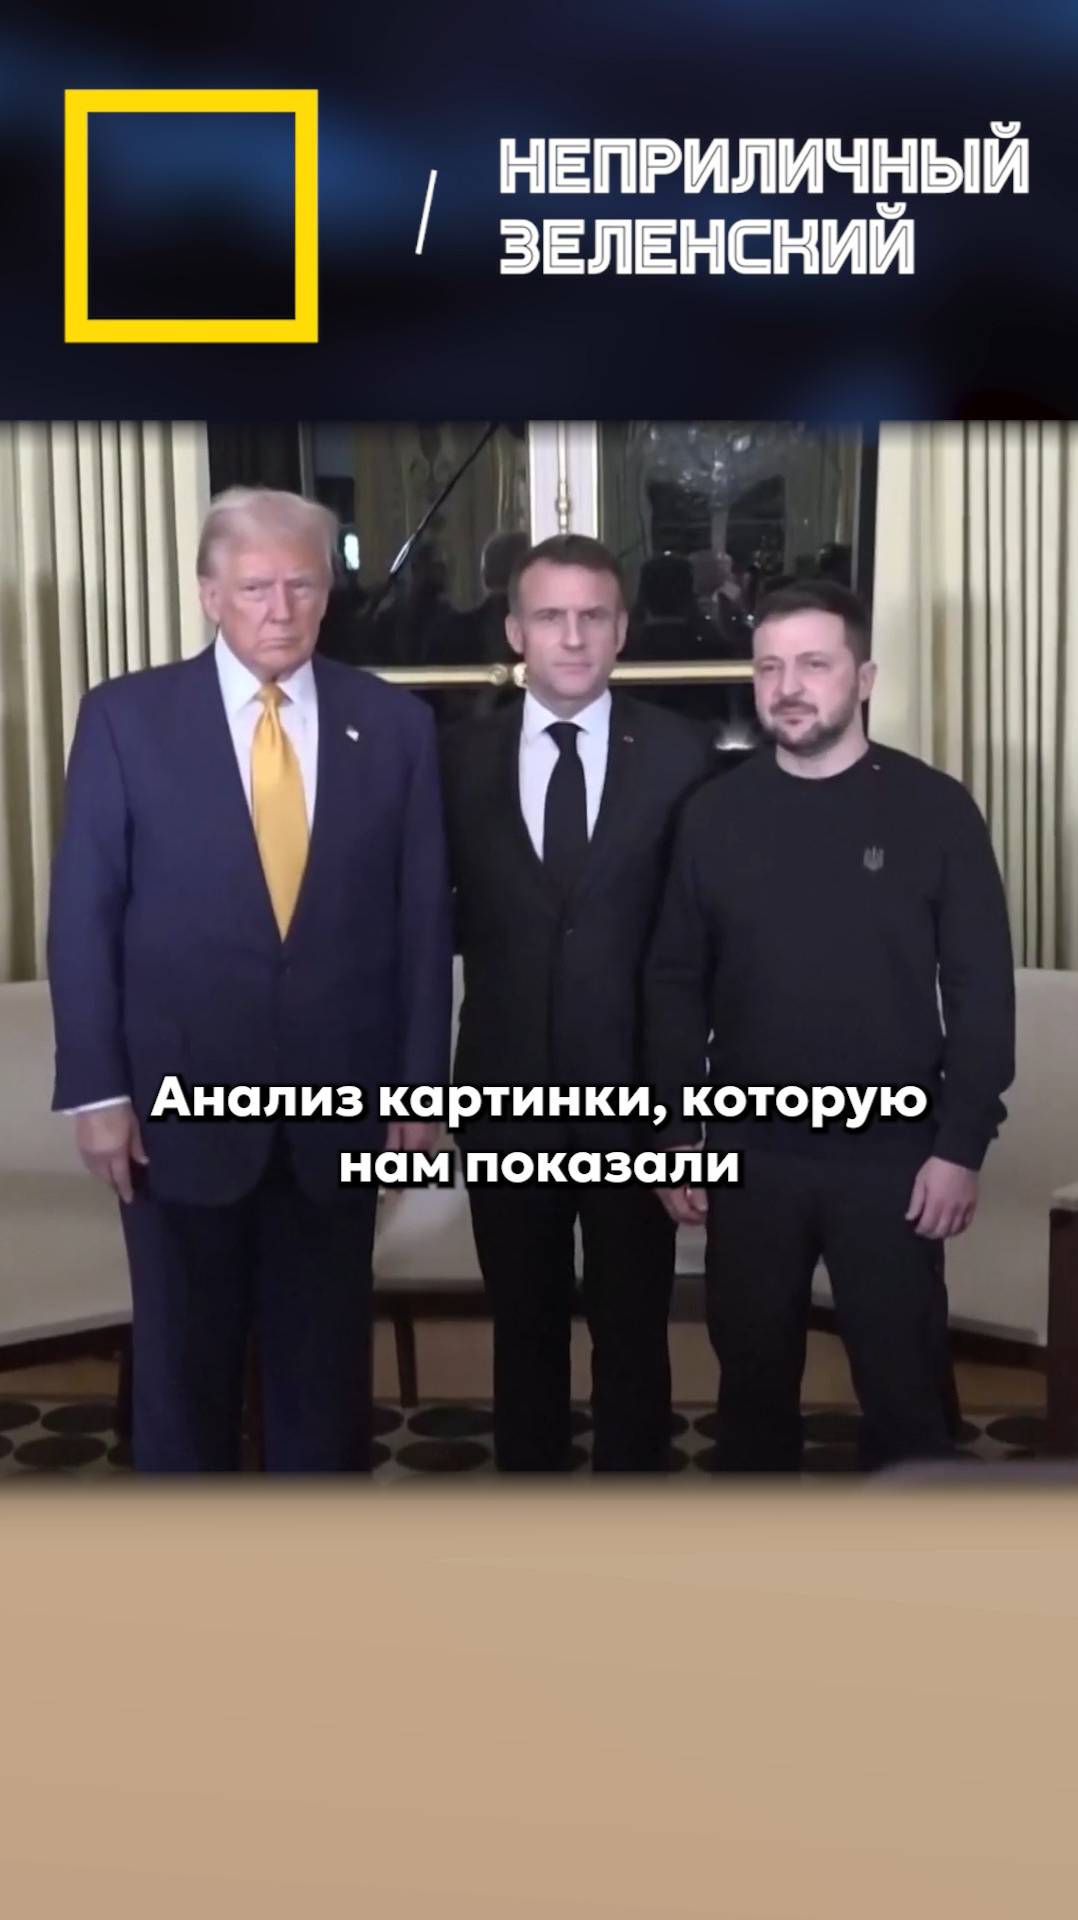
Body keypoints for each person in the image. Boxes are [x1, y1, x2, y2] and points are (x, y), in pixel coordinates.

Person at [47, 488, 452, 1473]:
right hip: (175, 1114)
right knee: (184, 1383)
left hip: (339, 1112)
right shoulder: (125, 719)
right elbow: (83, 921)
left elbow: (420, 925)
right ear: (208, 594)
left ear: (327, 594)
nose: (281, 609)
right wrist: (97, 1094)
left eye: (301, 586)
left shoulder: (392, 723)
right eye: (257, 587)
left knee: (324, 1387)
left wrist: (420, 1090)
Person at [645, 578, 1015, 1472]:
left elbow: (982, 991)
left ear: (865, 679)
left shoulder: (935, 809)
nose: (788, 688)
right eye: (769, 667)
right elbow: (674, 982)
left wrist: (960, 1145)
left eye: (814, 664)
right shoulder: (714, 815)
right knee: (751, 1396)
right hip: (749, 1156)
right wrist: (674, 1132)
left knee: (906, 1394)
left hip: (894, 1156)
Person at [441, 534, 714, 1472]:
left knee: (633, 1332)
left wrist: (686, 1112)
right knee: (524, 1329)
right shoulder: (455, 759)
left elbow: (696, 950)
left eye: (592, 616)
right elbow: (420, 926)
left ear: (621, 630)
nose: (571, 636)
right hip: (502, 1092)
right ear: (515, 630)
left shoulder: (680, 755)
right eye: (550, 616)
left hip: (635, 1096)